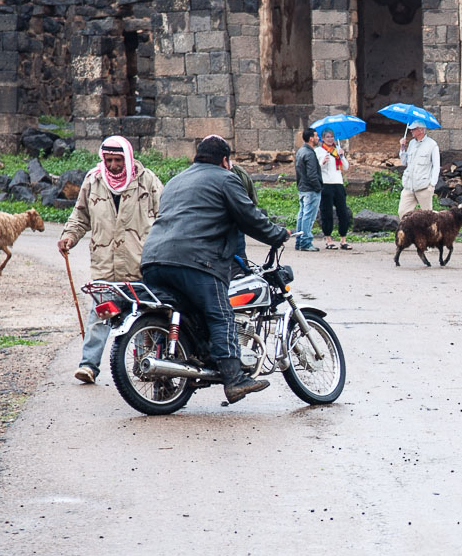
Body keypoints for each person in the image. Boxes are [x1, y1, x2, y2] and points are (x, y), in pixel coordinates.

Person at [139, 136, 290, 404]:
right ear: (225, 160)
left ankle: (179, 372)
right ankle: (234, 379)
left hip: (153, 259)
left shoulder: (176, 180)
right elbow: (250, 217)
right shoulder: (225, 178)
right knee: (221, 315)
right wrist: (277, 235)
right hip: (196, 262)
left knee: (188, 317)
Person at [57, 135, 163, 385]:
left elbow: (165, 215)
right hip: (105, 265)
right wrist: (69, 236)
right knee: (99, 316)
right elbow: (80, 215)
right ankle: (88, 366)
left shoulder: (147, 181)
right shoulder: (93, 181)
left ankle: (144, 363)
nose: (113, 165)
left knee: (143, 317)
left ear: (127, 157)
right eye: (109, 159)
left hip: (139, 265)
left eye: (118, 160)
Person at [315, 128, 352, 250]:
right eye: (328, 137)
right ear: (323, 139)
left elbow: (345, 167)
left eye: (332, 137)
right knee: (327, 212)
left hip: (338, 183)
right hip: (326, 184)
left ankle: (343, 239)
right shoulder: (319, 151)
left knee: (343, 212)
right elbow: (316, 168)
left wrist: (342, 156)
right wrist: (323, 162)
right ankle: (328, 239)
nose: (330, 139)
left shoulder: (337, 150)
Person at [398, 120, 440, 217]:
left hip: (424, 187)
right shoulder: (412, 143)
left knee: (427, 217)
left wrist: (432, 185)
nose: (411, 131)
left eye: (413, 129)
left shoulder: (432, 145)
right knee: (402, 213)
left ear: (421, 130)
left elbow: (436, 166)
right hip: (409, 186)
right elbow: (404, 162)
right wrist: (402, 147)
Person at [294, 127, 322, 252]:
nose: (318, 138)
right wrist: (318, 187)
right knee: (308, 216)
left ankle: (299, 241)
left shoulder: (300, 151)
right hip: (310, 189)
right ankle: (305, 241)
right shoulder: (310, 153)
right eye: (316, 136)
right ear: (311, 138)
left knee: (302, 215)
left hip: (302, 187)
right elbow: (311, 174)